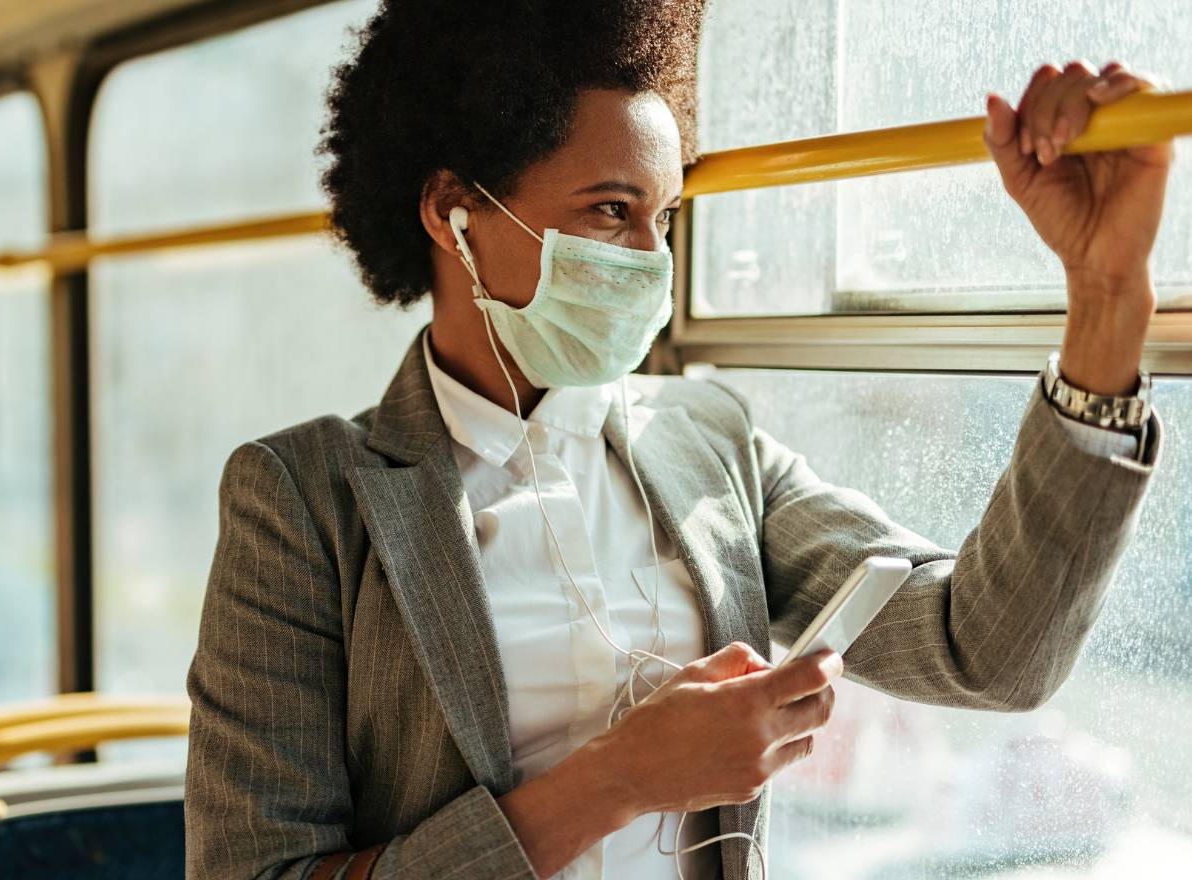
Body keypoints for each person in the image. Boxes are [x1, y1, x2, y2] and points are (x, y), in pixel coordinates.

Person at [184, 2, 1170, 878]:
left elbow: (988, 651)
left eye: (664, 218)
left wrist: (1105, 296)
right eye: (610, 212)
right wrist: (616, 781)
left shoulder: (709, 443)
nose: (650, 264)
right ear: (454, 214)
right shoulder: (303, 499)